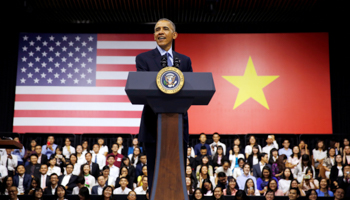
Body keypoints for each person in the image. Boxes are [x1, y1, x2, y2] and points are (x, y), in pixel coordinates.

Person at [136, 18, 193, 193]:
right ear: (154, 35)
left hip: (177, 126)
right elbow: (143, 88)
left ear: (174, 34)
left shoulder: (184, 61)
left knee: (177, 176)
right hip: (153, 124)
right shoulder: (143, 58)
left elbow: (192, 89)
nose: (160, 32)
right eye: (157, 29)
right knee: (154, 176)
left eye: (165, 29)